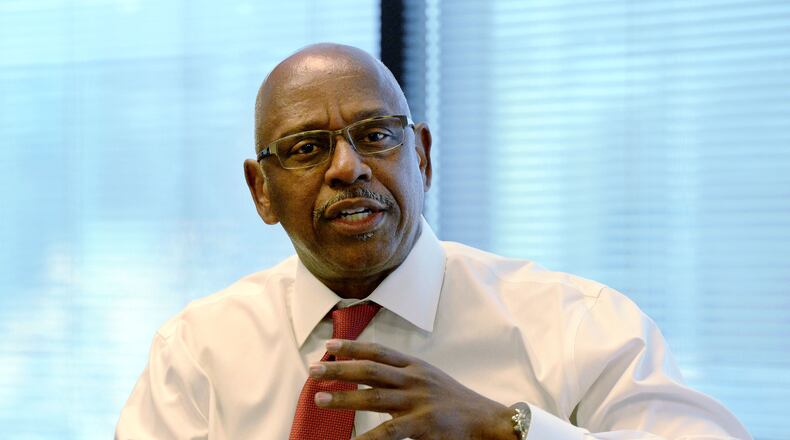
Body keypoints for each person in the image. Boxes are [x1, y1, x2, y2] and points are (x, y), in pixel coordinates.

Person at [115, 43, 751, 440]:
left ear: (420, 156)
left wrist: (507, 427)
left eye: (376, 135)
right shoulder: (197, 351)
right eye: (307, 148)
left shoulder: (575, 324)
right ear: (261, 191)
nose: (348, 168)